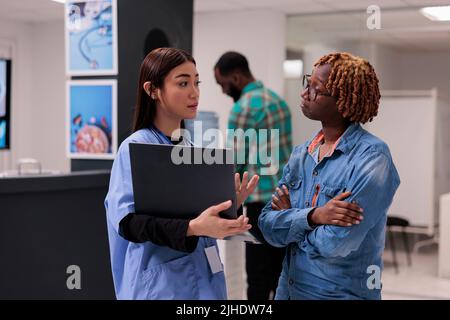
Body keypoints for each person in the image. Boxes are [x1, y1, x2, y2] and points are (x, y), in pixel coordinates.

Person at [105, 47, 259, 300]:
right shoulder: (135, 148)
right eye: (183, 83)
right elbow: (129, 224)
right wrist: (194, 227)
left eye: (196, 83)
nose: (194, 92)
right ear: (152, 89)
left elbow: (190, 214)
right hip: (164, 286)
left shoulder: (189, 148)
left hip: (206, 282)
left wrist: (227, 208)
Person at [259, 52, 400, 300]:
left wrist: (290, 220)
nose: (305, 94)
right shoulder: (302, 154)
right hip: (289, 291)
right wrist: (315, 216)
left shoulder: (373, 158)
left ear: (343, 100)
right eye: (307, 83)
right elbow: (268, 226)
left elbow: (336, 244)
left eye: (316, 89)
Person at [214, 51, 292, 300]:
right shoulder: (279, 101)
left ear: (235, 77)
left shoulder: (243, 108)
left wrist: (226, 206)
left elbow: (234, 163)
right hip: (286, 201)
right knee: (281, 273)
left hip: (260, 207)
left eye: (222, 84)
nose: (223, 91)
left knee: (258, 277)